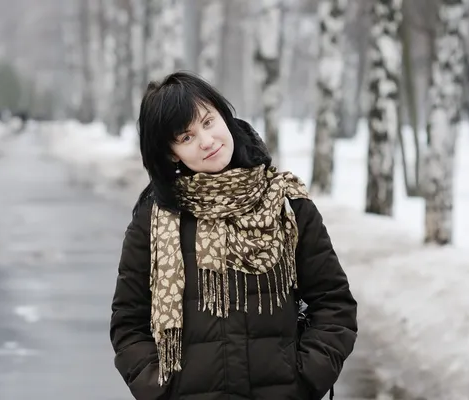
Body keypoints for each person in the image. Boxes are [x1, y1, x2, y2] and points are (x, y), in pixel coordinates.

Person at [110, 71, 357, 400]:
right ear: (172, 153)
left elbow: (334, 304)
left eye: (208, 122)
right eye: (186, 137)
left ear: (224, 116)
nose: (207, 141)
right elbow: (129, 323)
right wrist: (160, 390)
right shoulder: (154, 220)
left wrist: (306, 379)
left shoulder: (285, 204)